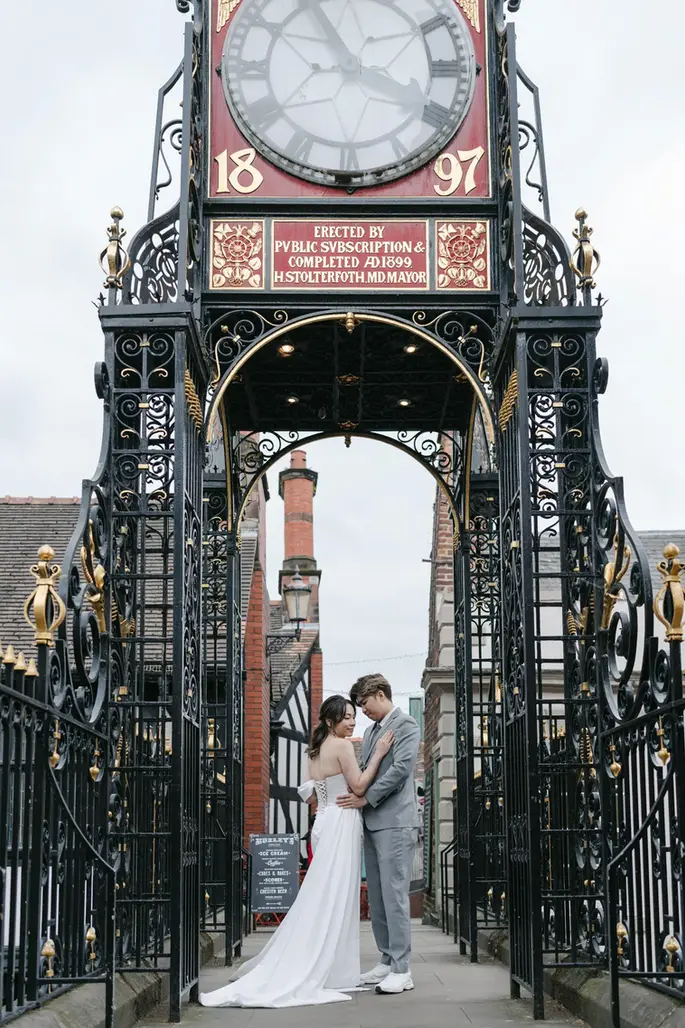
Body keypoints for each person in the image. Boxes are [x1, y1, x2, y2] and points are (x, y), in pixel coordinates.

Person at [198, 694, 393, 1008]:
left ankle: (330, 965)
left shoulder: (314, 749)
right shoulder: (342, 747)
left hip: (323, 820)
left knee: (323, 891)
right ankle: (333, 969)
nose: (352, 722)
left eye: (353, 717)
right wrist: (378, 755)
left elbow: (309, 794)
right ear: (330, 720)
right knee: (336, 894)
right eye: (346, 717)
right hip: (341, 820)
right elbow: (358, 786)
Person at [336, 673, 421, 995]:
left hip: (396, 823)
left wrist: (366, 798)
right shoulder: (372, 731)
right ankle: (386, 960)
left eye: (364, 703)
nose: (362, 711)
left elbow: (400, 770)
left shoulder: (406, 725)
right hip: (371, 822)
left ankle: (402, 969)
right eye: (358, 705)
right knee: (377, 896)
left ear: (381, 694)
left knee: (394, 895)